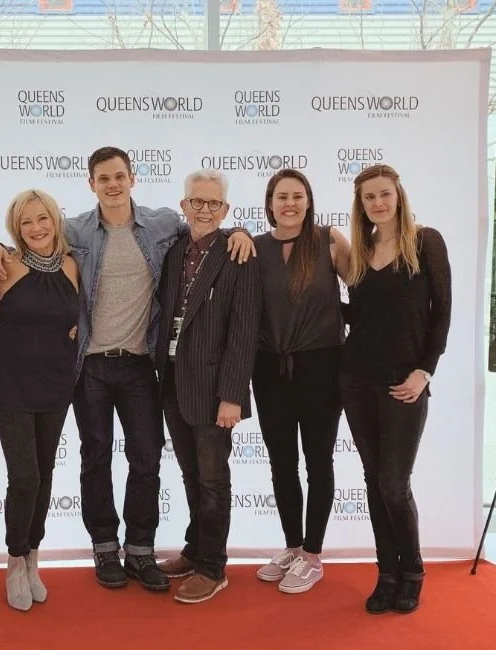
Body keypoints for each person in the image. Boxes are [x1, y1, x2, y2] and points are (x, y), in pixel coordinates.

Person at [0, 146, 254, 592]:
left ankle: (141, 549)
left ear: (132, 179)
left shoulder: (163, 223)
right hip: (88, 366)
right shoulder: (72, 231)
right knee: (95, 458)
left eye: (119, 176)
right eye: (103, 178)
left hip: (139, 365)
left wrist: (240, 230)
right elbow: (29, 242)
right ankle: (105, 547)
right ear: (91, 184)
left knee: (146, 457)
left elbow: (204, 230)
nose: (112, 184)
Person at [338, 164, 451, 615]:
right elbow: (364, 317)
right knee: (372, 479)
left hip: (404, 381)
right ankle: (386, 573)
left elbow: (442, 311)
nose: (378, 203)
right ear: (361, 204)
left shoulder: (426, 242)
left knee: (393, 482)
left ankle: (413, 571)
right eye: (369, 197)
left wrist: (425, 371)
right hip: (355, 378)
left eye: (384, 194)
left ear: (398, 196)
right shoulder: (361, 251)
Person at [153, 169, 260, 604]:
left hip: (216, 390)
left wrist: (233, 395)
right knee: (192, 473)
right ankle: (196, 549)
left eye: (213, 203)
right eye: (196, 201)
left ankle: (214, 566)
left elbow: (244, 330)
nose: (204, 209)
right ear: (183, 206)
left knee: (214, 480)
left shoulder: (239, 253)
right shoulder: (174, 251)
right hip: (173, 382)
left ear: (226, 210)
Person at [252, 168, 350, 595]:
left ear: (308, 201)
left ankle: (313, 553)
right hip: (269, 368)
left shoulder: (329, 240)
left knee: (318, 461)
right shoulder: (254, 247)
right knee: (280, 463)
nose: (289, 203)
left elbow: (367, 293)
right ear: (270, 203)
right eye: (281, 196)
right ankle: (292, 545)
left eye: (297, 195)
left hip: (321, 367)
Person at [0, 189, 80, 611]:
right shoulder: (4, 264)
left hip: (57, 384)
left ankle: (33, 556)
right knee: (24, 477)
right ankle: (13, 559)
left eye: (43, 219)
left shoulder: (73, 266)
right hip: (9, 384)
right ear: (15, 228)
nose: (36, 228)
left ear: (55, 220)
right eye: (26, 222)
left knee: (45, 473)